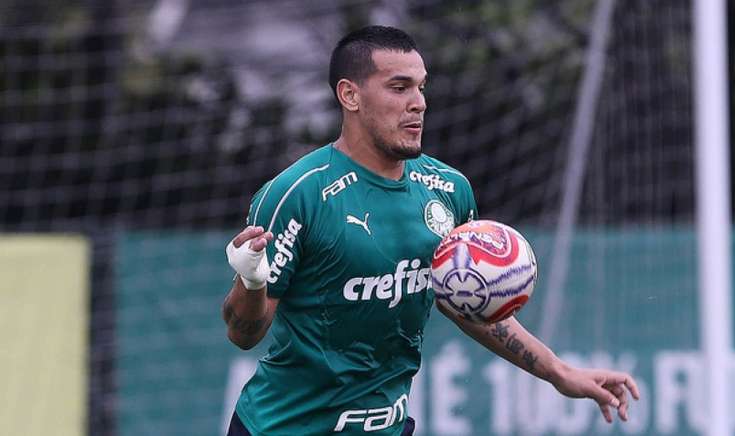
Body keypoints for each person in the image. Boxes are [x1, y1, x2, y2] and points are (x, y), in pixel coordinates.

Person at [222, 25, 639, 436]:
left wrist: (559, 372)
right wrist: (252, 279)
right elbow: (244, 333)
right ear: (350, 95)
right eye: (399, 87)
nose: (418, 103)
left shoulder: (449, 189)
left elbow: (469, 303)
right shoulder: (297, 193)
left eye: (421, 88)